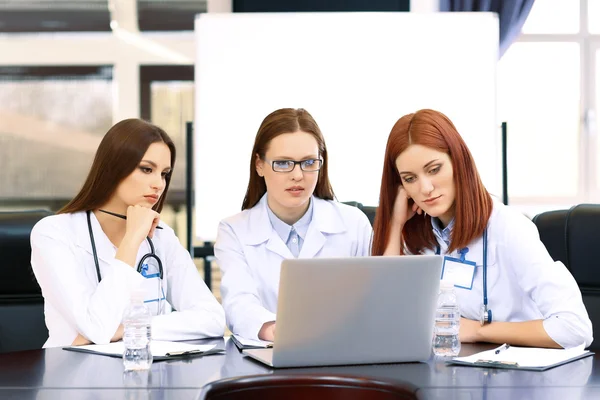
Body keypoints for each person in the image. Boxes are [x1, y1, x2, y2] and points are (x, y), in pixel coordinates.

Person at [371, 109, 592, 349]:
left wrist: (478, 330)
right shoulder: (415, 235)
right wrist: (394, 225)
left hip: (519, 376)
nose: (425, 188)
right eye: (410, 178)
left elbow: (574, 328)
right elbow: (386, 321)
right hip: (449, 370)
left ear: (459, 161)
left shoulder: (508, 228)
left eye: (434, 169)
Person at [30, 118, 225, 348]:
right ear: (114, 167)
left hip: (147, 370)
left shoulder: (161, 236)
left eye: (164, 173)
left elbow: (213, 318)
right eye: (146, 169)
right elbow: (98, 328)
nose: (158, 184)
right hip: (75, 375)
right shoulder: (54, 233)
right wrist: (132, 240)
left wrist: (129, 329)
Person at [214, 108, 373, 341]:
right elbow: (239, 304)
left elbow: (371, 301)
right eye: (283, 163)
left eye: (309, 162)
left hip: (342, 356)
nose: (298, 175)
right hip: (269, 357)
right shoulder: (234, 230)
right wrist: (278, 331)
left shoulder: (353, 223)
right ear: (259, 165)